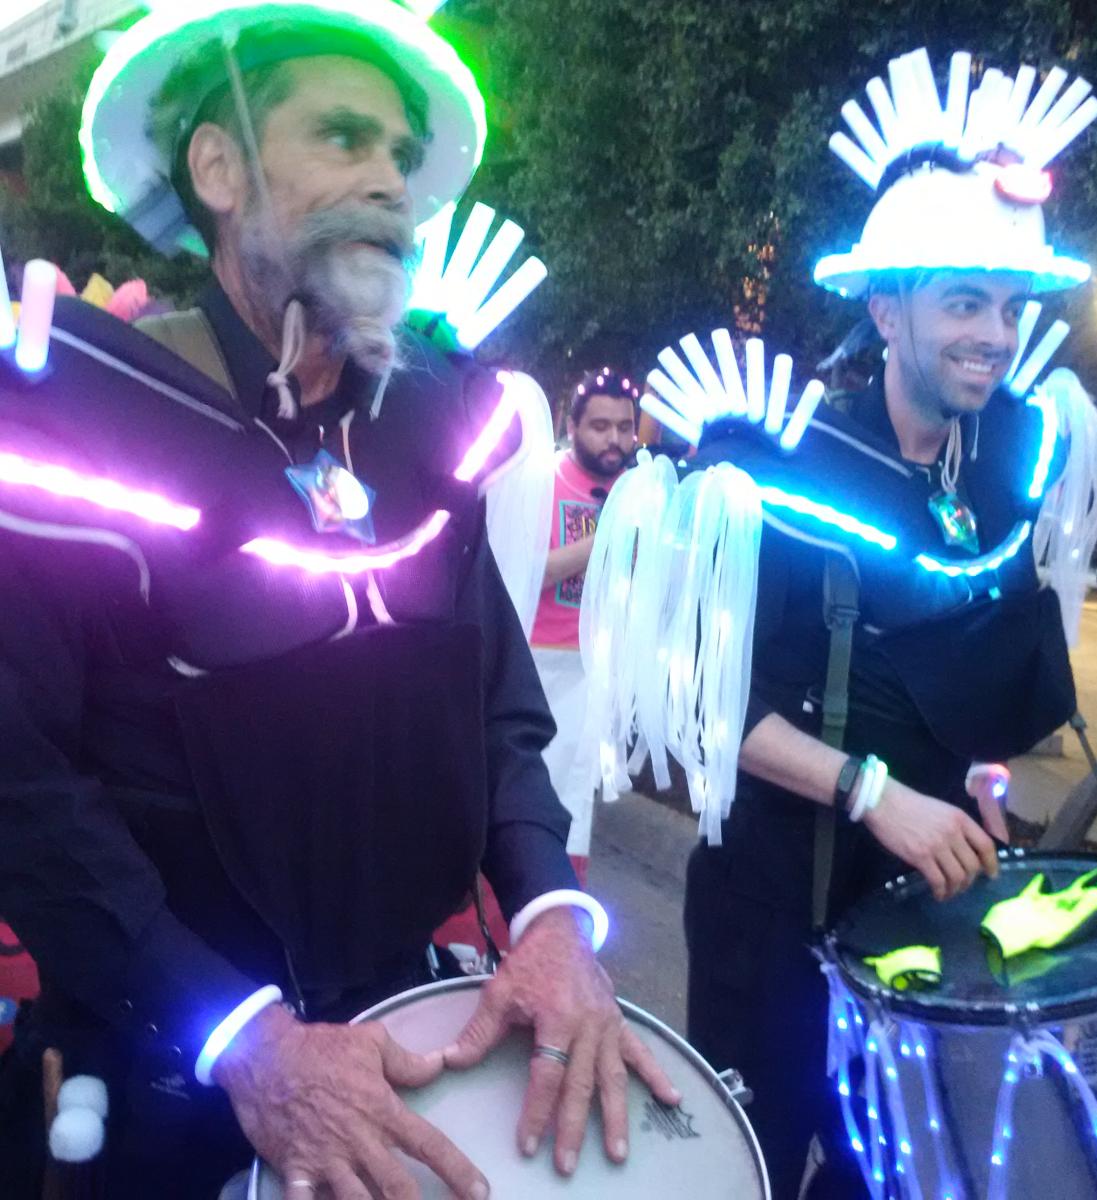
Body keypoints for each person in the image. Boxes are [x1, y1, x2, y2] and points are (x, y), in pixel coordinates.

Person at [0, 5, 676, 1199]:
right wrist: (244, 1039)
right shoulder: (76, 421)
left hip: (406, 1031)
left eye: (400, 156)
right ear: (220, 169)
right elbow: (24, 791)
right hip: (168, 1070)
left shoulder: (432, 416)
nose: (391, 186)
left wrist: (551, 916)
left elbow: (498, 714)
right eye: (345, 139)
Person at [583, 46, 1097, 1200]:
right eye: (963, 301)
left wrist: (977, 776)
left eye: (1010, 306)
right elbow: (707, 711)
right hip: (775, 914)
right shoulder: (783, 473)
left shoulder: (1009, 455)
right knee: (751, 1171)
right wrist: (877, 793)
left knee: (892, 1178)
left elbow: (982, 658)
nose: (995, 333)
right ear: (886, 310)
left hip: (923, 918)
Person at [530, 369, 639, 864]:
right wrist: (601, 543)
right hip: (537, 667)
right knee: (521, 803)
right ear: (571, 427)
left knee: (572, 814)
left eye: (624, 427)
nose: (614, 439)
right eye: (600, 426)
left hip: (599, 674)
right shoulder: (541, 482)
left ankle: (559, 901)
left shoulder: (640, 495)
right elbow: (522, 571)